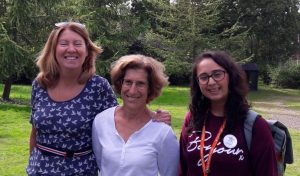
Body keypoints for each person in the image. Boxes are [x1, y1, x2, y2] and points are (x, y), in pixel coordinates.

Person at [26, 22, 171, 176]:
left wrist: (153, 117)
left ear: (87, 50)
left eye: (77, 43)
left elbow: (122, 115)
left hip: (81, 171)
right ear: (53, 49)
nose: (71, 49)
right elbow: (35, 132)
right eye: (63, 43)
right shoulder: (40, 84)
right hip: (39, 170)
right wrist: (32, 164)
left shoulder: (97, 87)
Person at [179, 51, 278, 176]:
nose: (211, 82)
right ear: (198, 83)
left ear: (231, 76)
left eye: (217, 74)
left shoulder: (256, 126)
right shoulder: (192, 119)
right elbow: (182, 168)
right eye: (204, 77)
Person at [92, 54, 179, 176]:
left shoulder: (162, 131)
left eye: (140, 84)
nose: (132, 90)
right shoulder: (101, 121)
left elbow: (171, 173)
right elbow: (101, 165)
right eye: (128, 82)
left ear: (150, 88)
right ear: (120, 84)